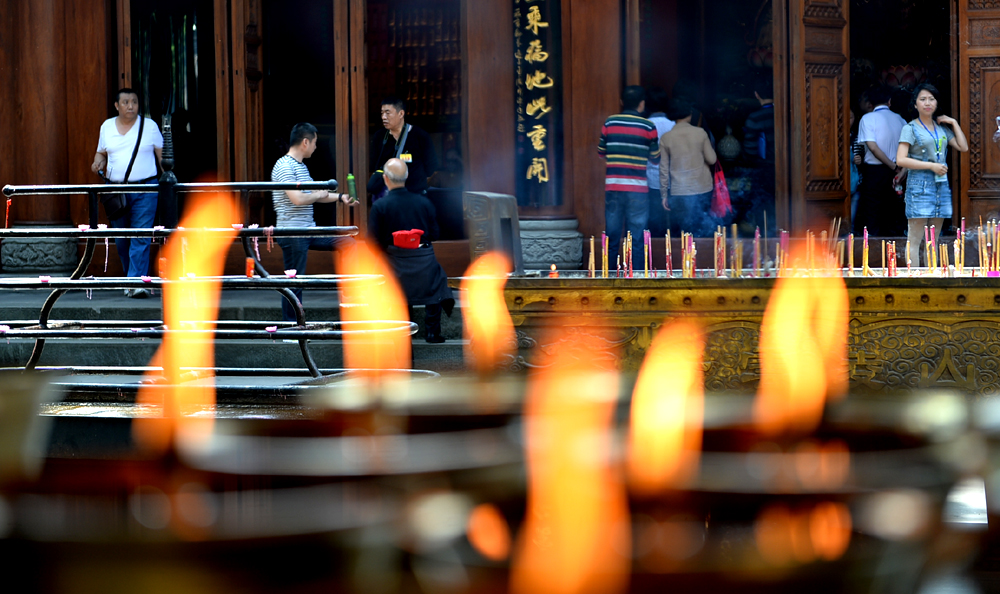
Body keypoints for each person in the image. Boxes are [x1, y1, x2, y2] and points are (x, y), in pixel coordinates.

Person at [272, 122, 355, 322]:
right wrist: (317, 192)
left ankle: (351, 291)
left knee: (348, 242)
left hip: (308, 229)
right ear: (305, 142)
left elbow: (314, 195)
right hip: (293, 232)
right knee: (295, 281)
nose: (317, 147)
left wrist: (340, 197)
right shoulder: (284, 166)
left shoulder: (300, 166)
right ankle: (290, 326)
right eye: (315, 142)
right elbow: (298, 198)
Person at [368, 158, 454, 343]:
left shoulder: (380, 206)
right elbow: (434, 234)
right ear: (406, 177)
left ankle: (403, 328)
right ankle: (432, 332)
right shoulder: (423, 203)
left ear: (385, 179)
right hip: (424, 262)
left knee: (395, 283)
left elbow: (373, 241)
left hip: (395, 263)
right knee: (436, 278)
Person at [91, 88, 163, 298]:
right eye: (125, 102)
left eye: (134, 102)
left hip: (145, 189)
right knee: (122, 239)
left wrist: (168, 181)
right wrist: (97, 162)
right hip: (116, 191)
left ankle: (136, 282)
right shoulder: (107, 127)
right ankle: (130, 278)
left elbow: (163, 157)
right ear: (117, 105)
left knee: (140, 235)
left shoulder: (149, 127)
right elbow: (101, 153)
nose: (130, 106)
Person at [895, 83, 968, 267]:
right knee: (915, 237)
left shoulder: (942, 129)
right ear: (915, 104)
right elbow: (900, 160)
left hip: (940, 186)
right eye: (923, 99)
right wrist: (931, 166)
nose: (927, 103)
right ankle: (915, 280)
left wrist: (953, 122)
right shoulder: (910, 128)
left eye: (931, 99)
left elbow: (963, 147)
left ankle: (932, 277)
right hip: (919, 186)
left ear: (936, 103)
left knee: (934, 239)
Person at [598, 85, 660, 270]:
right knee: (637, 238)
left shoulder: (610, 123)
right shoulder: (649, 126)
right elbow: (655, 159)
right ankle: (638, 277)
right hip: (638, 191)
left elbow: (601, 153)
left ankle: (607, 277)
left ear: (622, 102)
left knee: (612, 236)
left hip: (614, 188)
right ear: (642, 104)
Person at [659, 99, 718, 237]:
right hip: (702, 188)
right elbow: (712, 159)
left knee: (684, 231)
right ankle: (703, 257)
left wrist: (663, 195)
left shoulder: (666, 138)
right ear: (690, 115)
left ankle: (686, 257)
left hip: (679, 191)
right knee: (703, 228)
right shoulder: (700, 133)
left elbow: (663, 169)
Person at [855, 84, 907, 237]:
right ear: (889, 101)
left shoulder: (867, 118)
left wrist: (892, 166)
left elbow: (873, 147)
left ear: (870, 103)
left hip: (875, 172)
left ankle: (874, 250)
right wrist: (899, 168)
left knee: (873, 212)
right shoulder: (900, 119)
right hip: (898, 171)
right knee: (892, 212)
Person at [369, 97, 439, 198]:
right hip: (387, 196)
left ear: (401, 113)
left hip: (414, 195)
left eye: (388, 113)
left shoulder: (420, 136)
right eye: (382, 113)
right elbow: (374, 165)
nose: (384, 117)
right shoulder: (379, 136)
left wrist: (417, 183)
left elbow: (431, 167)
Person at [742, 76, 776, 229]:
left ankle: (763, 232)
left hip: (762, 167)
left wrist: (751, 161)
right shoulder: (784, 115)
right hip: (784, 167)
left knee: (762, 200)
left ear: (757, 95)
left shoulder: (754, 118)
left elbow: (749, 147)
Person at [644, 87, 675, 237]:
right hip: (673, 179)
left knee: (655, 221)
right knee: (675, 220)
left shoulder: (644, 125)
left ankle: (654, 252)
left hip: (651, 179)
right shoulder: (673, 125)